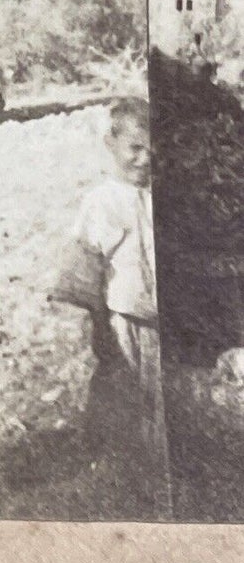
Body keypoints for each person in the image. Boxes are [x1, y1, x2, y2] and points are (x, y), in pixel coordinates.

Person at [51, 96, 167, 515]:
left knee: (163, 402)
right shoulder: (102, 201)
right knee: (123, 398)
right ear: (111, 143)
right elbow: (86, 269)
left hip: (161, 323)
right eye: (135, 147)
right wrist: (99, 324)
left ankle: (161, 478)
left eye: (153, 147)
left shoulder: (163, 196)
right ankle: (119, 478)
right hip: (123, 320)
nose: (144, 157)